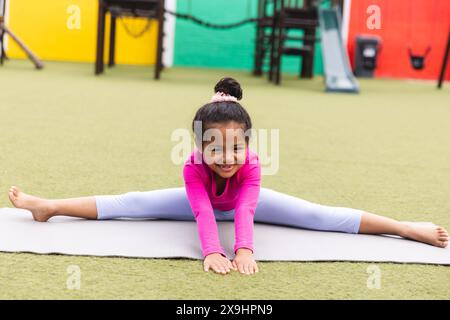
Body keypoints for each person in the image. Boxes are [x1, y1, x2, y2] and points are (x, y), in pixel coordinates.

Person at [8, 77, 449, 276]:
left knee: (318, 214)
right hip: (203, 202)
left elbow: (246, 208)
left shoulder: (252, 167)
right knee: (133, 203)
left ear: (249, 145)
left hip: (239, 205)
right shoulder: (194, 167)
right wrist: (212, 252)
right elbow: (201, 211)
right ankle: (49, 206)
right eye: (214, 147)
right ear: (199, 146)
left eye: (236, 147)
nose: (226, 156)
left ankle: (403, 227)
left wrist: (243, 247)